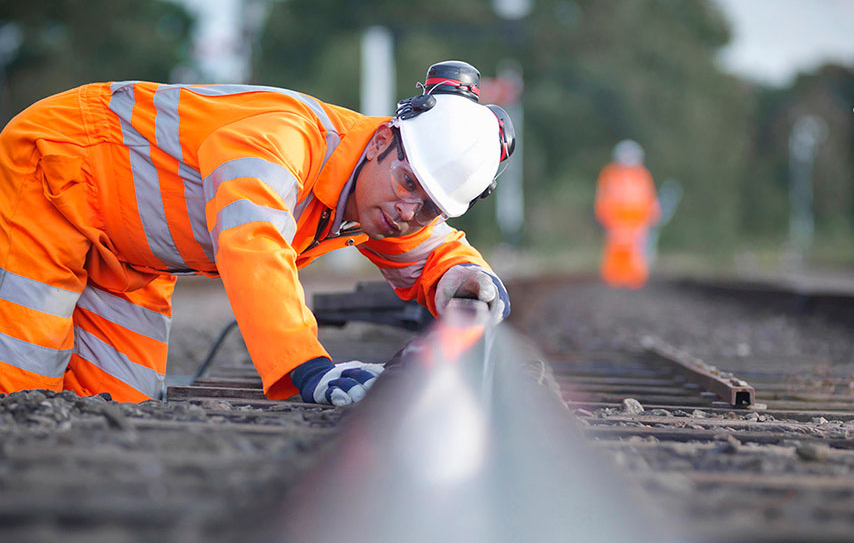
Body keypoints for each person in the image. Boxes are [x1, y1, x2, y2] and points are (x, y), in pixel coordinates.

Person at [0, 60, 513, 406]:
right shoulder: (285, 141)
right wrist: (309, 367)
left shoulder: (376, 194)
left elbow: (432, 253)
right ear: (383, 139)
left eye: (429, 207)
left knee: (112, 407)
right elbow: (254, 244)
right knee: (23, 390)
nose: (407, 212)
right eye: (408, 185)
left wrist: (467, 281)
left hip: (131, 258)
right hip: (56, 173)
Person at [594, 140, 660, 289]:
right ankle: (614, 281)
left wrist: (652, 215)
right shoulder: (610, 175)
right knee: (616, 254)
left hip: (637, 225)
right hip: (616, 223)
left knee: (636, 256)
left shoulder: (643, 175)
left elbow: (649, 198)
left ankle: (635, 282)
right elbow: (603, 198)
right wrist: (606, 219)